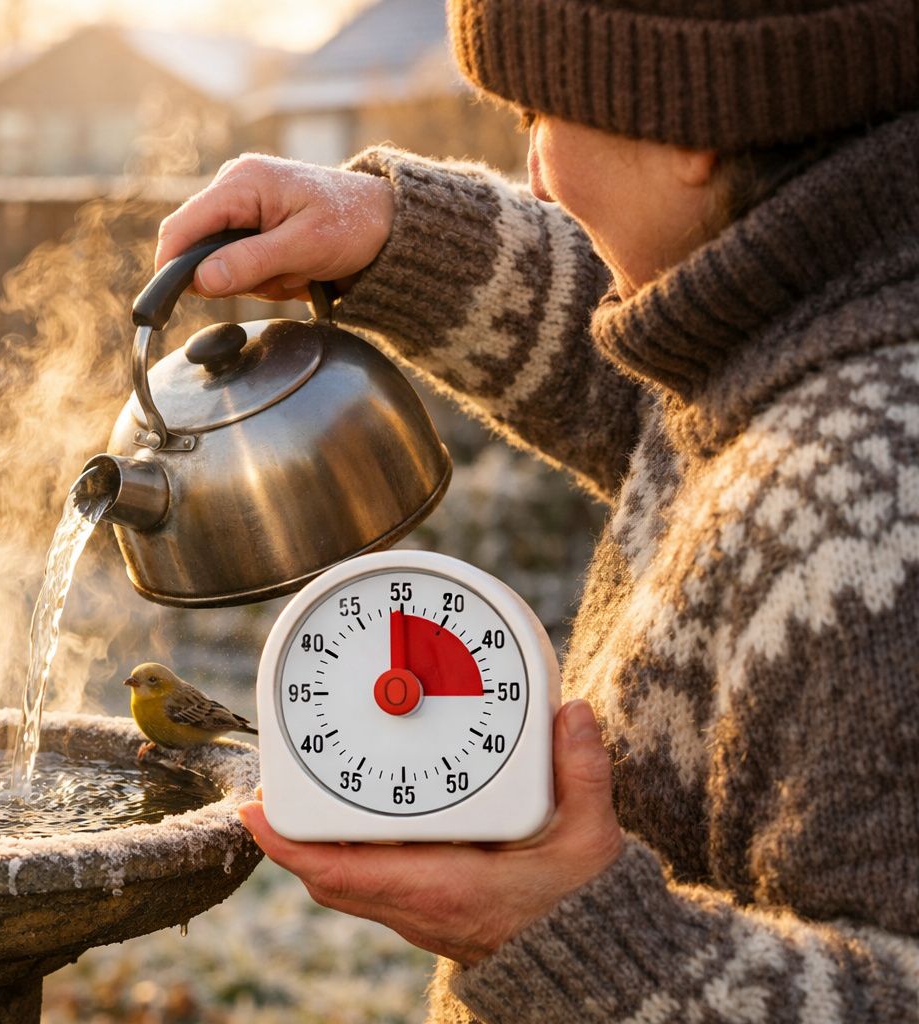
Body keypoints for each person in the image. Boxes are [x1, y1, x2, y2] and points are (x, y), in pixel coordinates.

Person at [157, 1, 919, 1020]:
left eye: (537, 116)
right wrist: (396, 238)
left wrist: (561, 936)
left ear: (685, 121)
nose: (536, 173)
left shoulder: (875, 498)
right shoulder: (818, 329)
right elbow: (670, 402)